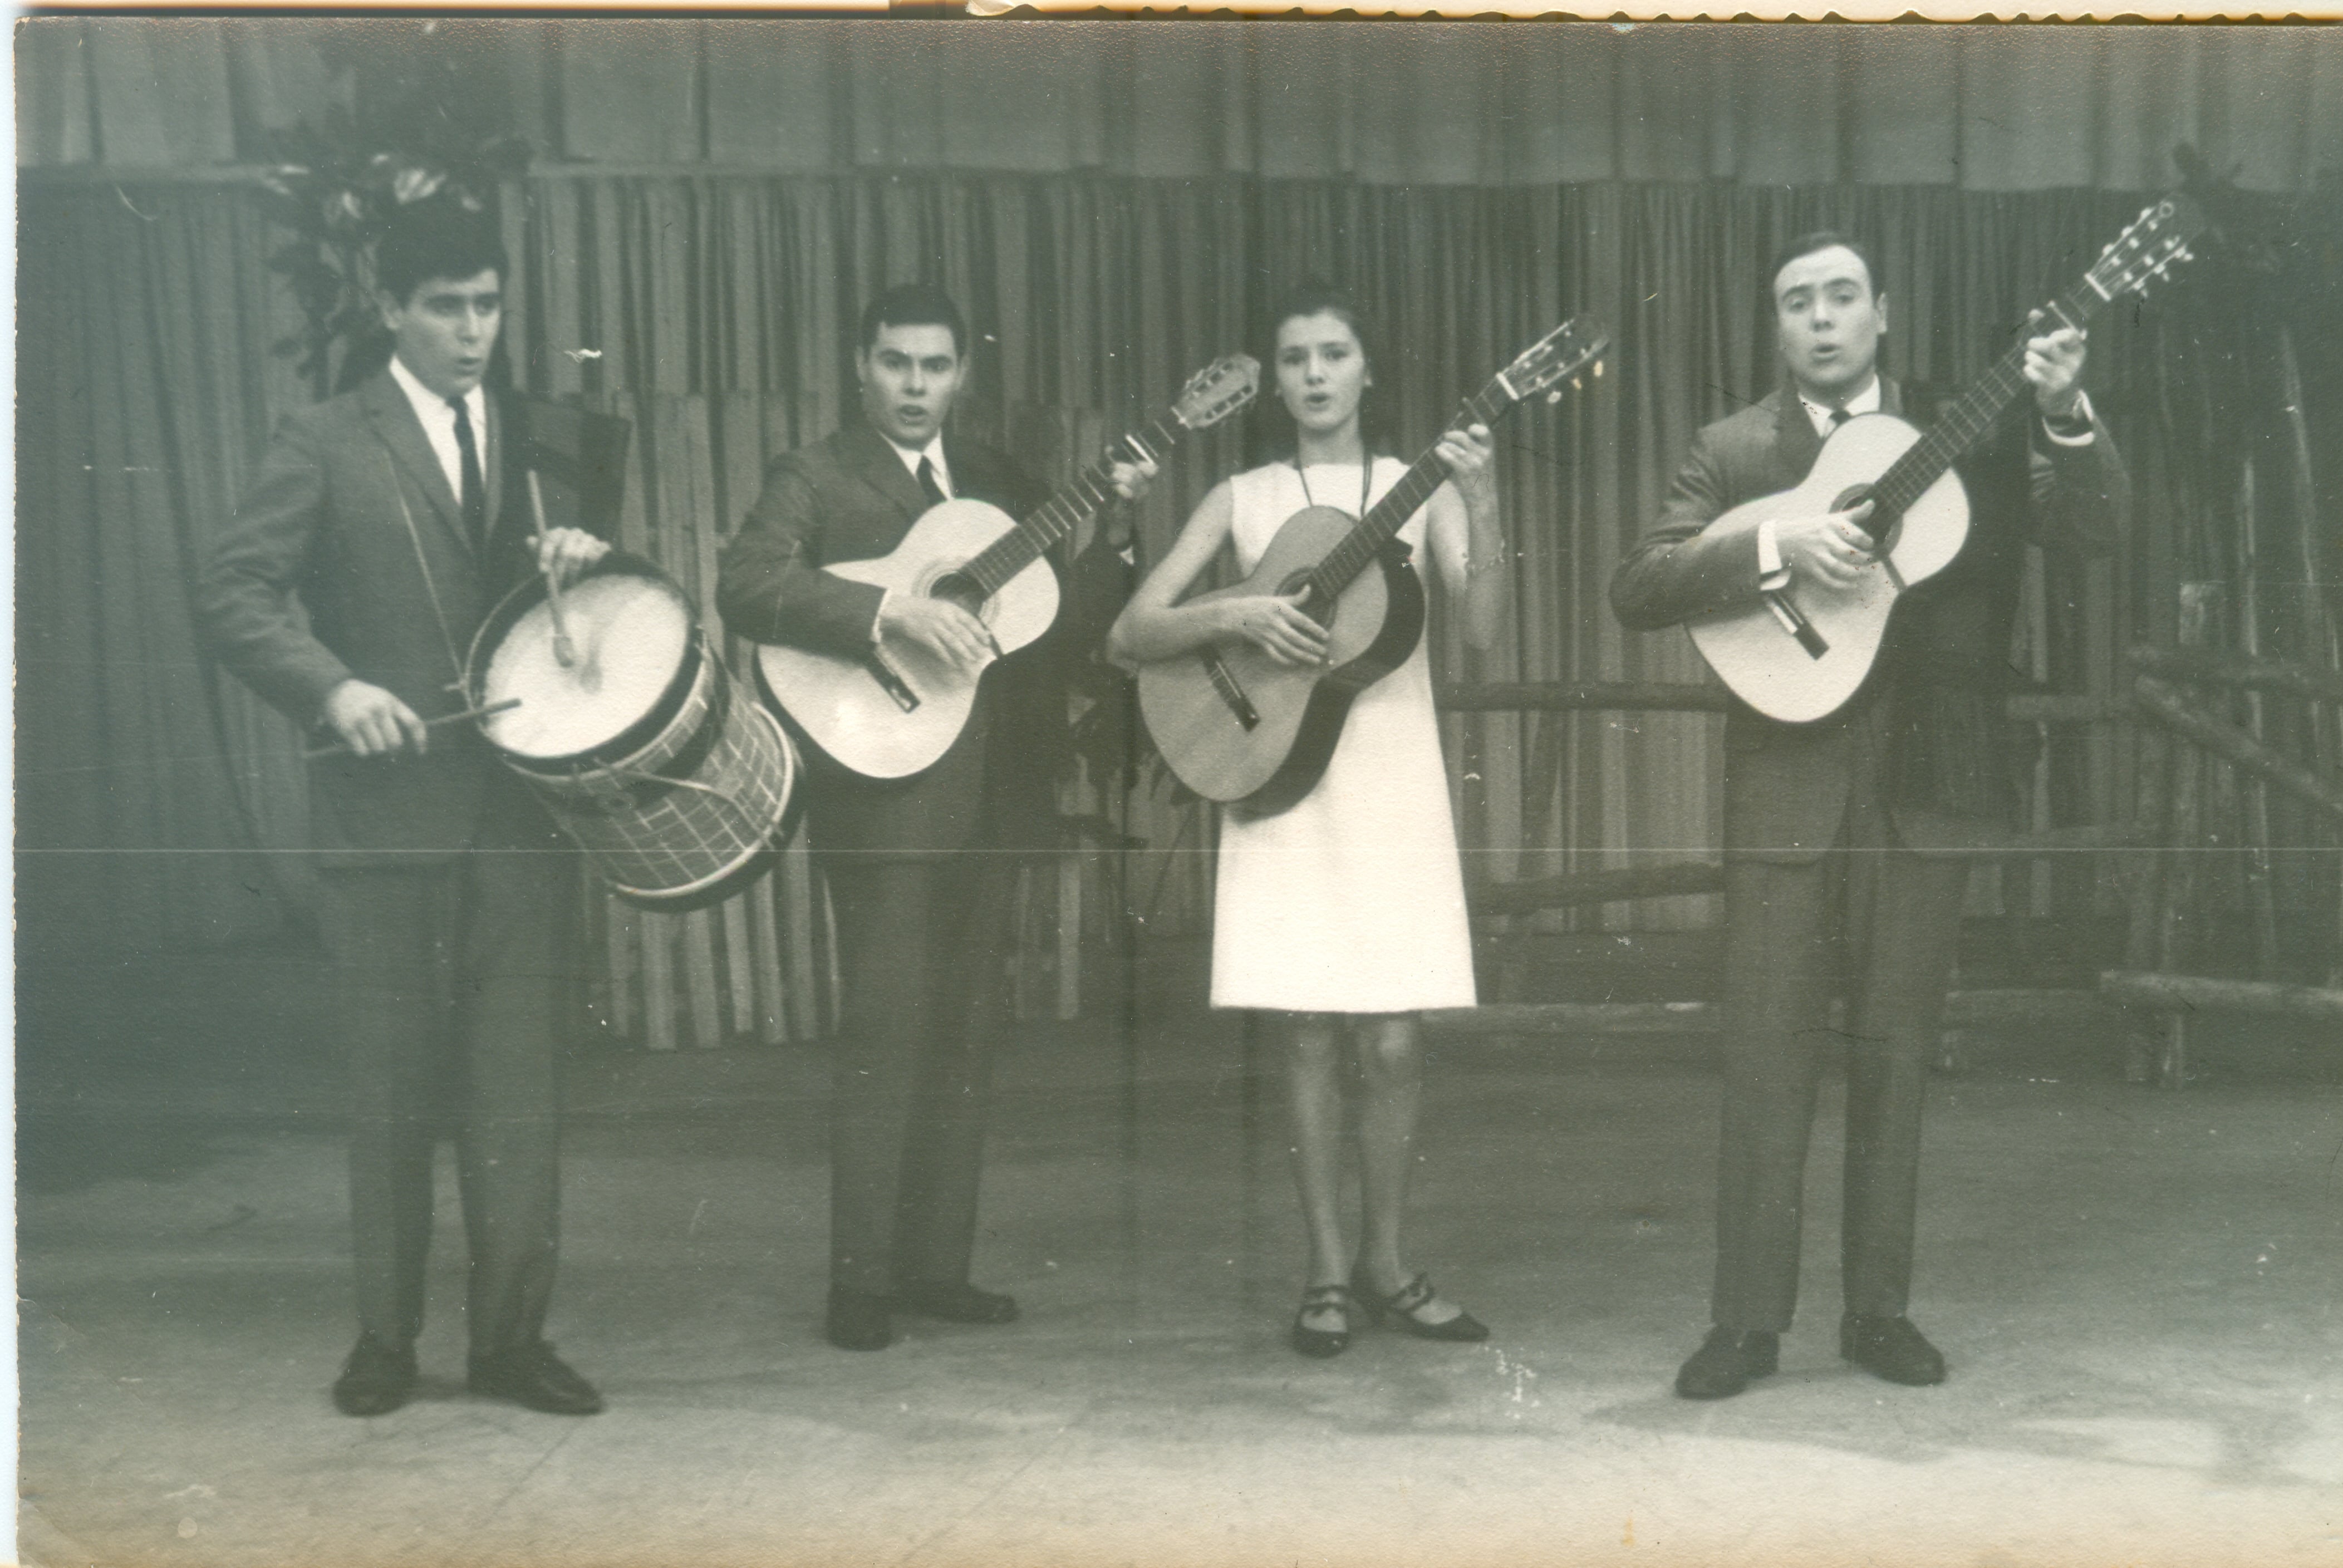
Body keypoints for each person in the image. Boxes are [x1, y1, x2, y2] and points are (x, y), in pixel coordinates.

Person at [1610, 231, 2129, 1399]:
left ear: (1883, 311)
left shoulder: (1980, 425)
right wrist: (1776, 537)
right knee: (1765, 1052)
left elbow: (2094, 533)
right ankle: (1746, 1322)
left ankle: (1879, 1310)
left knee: (1898, 1052)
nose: (1823, 318)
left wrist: (2066, 408)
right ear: (1778, 324)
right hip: (1786, 772)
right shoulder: (1736, 448)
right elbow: (1639, 584)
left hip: (1929, 779)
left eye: (1843, 295)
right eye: (1798, 301)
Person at [195, 204, 613, 1417]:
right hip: (385, 821)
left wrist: (588, 562)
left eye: (488, 302)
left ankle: (511, 1342)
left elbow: (588, 630)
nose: (473, 329)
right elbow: (234, 590)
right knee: (389, 1095)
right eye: (446, 306)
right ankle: (386, 1340)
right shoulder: (325, 437)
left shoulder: (543, 441)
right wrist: (333, 682)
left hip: (524, 817)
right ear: (390, 308)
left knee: (519, 1095)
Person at [718, 284, 1155, 1351]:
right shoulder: (814, 475)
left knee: (964, 1038)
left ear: (964, 374)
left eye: (936, 367)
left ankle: (934, 1269)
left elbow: (1055, 625)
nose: (917, 386)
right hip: (881, 785)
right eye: (896, 364)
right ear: (861, 367)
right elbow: (746, 585)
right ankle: (859, 1281)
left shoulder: (999, 484)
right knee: (882, 1037)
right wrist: (889, 608)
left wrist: (1122, 528)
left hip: (989, 794)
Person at [1109, 286, 1510, 1358]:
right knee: (1304, 1028)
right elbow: (1132, 628)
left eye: (1336, 352)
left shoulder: (1416, 490)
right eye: (1295, 358)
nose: (1316, 374)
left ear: (1368, 371)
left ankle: (1388, 1260)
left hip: (1390, 781)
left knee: (1389, 1039)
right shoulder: (1242, 496)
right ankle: (1324, 1268)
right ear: (1275, 380)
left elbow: (1479, 629)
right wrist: (1237, 611)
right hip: (1278, 772)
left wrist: (1485, 493)